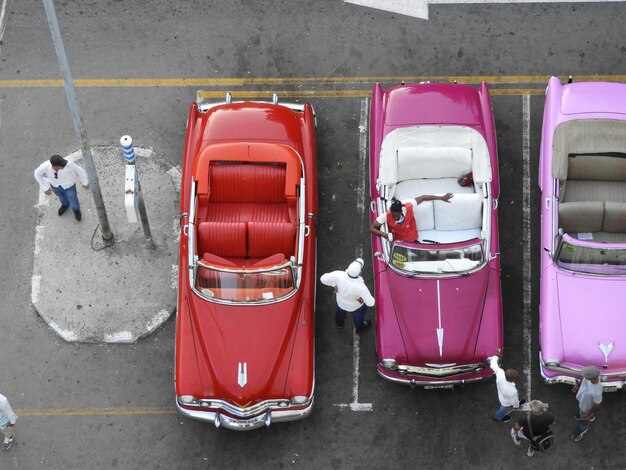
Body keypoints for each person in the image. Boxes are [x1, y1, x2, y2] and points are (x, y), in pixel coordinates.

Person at [369, 193, 454, 242]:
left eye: (396, 215)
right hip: (398, 242)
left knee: (423, 256)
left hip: (412, 239)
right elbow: (372, 228)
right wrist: (384, 234)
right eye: (392, 214)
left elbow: (423, 197)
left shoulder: (409, 207)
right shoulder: (386, 215)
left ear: (401, 211)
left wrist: (441, 198)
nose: (394, 217)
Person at [320, 258, 375, 333]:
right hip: (355, 306)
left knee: (340, 312)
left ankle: (339, 324)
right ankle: (360, 329)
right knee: (358, 317)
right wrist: (361, 298)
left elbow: (323, 279)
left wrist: (334, 285)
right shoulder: (361, 288)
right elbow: (371, 303)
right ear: (359, 273)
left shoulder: (338, 274)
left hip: (341, 302)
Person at [34, 154, 89, 221]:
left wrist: (85, 182)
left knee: (73, 200)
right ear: (54, 166)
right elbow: (37, 173)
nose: (64, 165)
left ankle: (76, 210)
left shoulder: (68, 164)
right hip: (55, 186)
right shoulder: (46, 166)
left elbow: (79, 171)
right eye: (61, 165)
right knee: (61, 197)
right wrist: (45, 187)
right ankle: (65, 205)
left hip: (69, 186)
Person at [489, 349, 524, 422]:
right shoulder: (512, 391)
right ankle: (497, 417)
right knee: (503, 411)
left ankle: (497, 416)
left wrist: (496, 356)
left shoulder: (500, 373)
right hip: (506, 403)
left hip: (501, 395)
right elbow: (514, 402)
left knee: (506, 405)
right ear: (512, 379)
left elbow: (493, 364)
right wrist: (516, 406)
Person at [571, 365, 603, 442]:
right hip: (583, 400)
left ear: (591, 378)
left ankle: (583, 427)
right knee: (582, 412)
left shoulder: (597, 392)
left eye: (585, 376)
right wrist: (578, 385)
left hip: (586, 407)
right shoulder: (592, 377)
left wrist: (589, 412)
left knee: (584, 418)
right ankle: (589, 416)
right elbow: (584, 379)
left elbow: (597, 404)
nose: (584, 377)